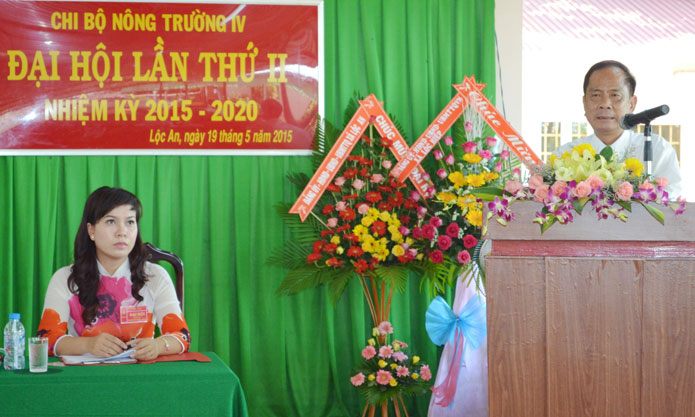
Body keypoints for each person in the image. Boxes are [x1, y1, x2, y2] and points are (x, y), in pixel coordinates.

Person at [37, 186, 190, 360]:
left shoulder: (155, 276)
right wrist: (88, 344)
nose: (122, 232)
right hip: (85, 373)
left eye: (130, 222)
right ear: (91, 230)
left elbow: (182, 336)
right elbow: (46, 339)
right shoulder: (65, 278)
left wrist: (158, 346)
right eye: (111, 221)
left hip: (141, 371)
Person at [553, 60, 682, 198]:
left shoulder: (657, 149)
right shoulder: (565, 155)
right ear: (584, 103)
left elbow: (671, 200)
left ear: (632, 104)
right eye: (596, 95)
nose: (605, 104)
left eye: (615, 95)